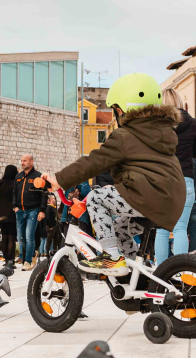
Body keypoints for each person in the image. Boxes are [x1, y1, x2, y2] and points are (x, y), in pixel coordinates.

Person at [44, 73, 185, 272]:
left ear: (120, 109)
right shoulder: (161, 133)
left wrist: (59, 179)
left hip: (149, 197)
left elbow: (94, 162)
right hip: (170, 200)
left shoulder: (125, 135)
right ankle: (131, 272)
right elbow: (146, 169)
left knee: (95, 197)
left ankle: (111, 256)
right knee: (120, 227)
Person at [154, 88, 196, 265]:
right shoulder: (193, 123)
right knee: (181, 228)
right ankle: (180, 272)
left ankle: (161, 274)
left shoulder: (156, 124)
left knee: (162, 230)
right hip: (185, 179)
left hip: (163, 180)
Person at [14, 155, 45, 270]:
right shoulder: (18, 176)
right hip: (20, 210)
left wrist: (42, 210)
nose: (22, 163)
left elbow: (43, 193)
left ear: (31, 162)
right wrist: (14, 206)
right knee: (20, 237)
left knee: (29, 236)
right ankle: (32, 254)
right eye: (21, 160)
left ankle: (27, 262)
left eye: (25, 161)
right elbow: (14, 192)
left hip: (33, 210)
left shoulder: (38, 176)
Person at [0, 165, 18, 266]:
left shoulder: (0, 183)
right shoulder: (16, 183)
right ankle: (11, 260)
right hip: (13, 213)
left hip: (1, 214)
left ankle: (6, 260)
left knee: (4, 236)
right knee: (11, 237)